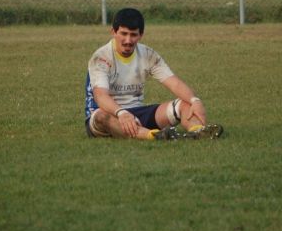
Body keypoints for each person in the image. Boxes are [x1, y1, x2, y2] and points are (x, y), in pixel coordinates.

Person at [84, 8, 223, 140]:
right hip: (106, 116)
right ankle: (152, 137)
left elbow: (174, 83)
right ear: (113, 32)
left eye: (133, 35)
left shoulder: (148, 54)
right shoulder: (101, 58)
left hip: (137, 113)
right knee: (102, 116)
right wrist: (121, 113)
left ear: (141, 35)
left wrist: (195, 101)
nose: (128, 40)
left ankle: (198, 132)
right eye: (123, 33)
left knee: (184, 104)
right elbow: (100, 96)